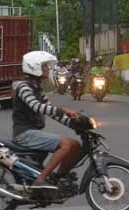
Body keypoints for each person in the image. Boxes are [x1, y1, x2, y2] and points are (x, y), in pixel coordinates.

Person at [12, 51, 81, 190]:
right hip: (25, 133)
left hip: (34, 132)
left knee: (76, 145)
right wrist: (63, 110)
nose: (48, 69)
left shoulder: (37, 88)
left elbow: (51, 112)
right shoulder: (24, 87)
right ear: (34, 67)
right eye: (45, 66)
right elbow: (36, 106)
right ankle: (41, 180)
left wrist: (75, 124)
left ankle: (59, 178)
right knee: (66, 144)